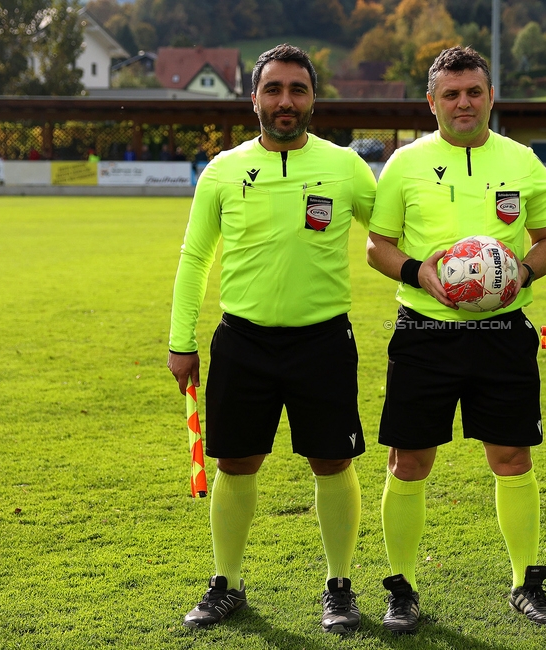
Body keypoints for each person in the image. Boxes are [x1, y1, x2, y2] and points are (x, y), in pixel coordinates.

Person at [167, 43, 376, 635]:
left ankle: (338, 586)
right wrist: (182, 340)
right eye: (274, 89)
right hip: (243, 342)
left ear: (313, 99)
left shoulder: (345, 167)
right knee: (236, 463)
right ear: (254, 97)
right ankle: (227, 583)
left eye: (298, 89)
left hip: (324, 341)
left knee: (332, 461)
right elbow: (194, 257)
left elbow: (389, 234)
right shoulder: (223, 170)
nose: (286, 101)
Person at [365, 46, 546, 633]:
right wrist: (417, 272)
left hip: (502, 334)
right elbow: (378, 244)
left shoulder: (523, 161)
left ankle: (527, 581)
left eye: (474, 91)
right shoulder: (404, 163)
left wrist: (522, 272)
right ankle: (402, 588)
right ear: (432, 102)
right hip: (424, 332)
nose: (463, 103)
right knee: (409, 461)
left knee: (511, 457)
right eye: (450, 94)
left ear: (490, 96)